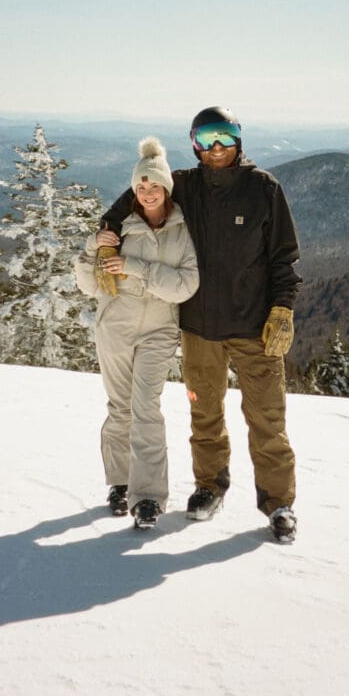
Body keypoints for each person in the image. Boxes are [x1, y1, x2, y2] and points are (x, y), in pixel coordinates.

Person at [98, 107, 300, 543]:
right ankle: (209, 488)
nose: (216, 147)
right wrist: (104, 235)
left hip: (254, 328)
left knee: (267, 417)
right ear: (193, 143)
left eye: (224, 136)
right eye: (206, 138)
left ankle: (279, 503)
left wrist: (282, 307)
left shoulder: (263, 189)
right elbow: (131, 200)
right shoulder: (184, 186)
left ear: (239, 139)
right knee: (204, 415)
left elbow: (284, 257)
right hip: (198, 329)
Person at [74, 137, 199, 530]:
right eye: (141, 187)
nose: (147, 193)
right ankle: (120, 483)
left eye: (154, 186)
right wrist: (92, 248)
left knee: (146, 407)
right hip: (115, 327)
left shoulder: (184, 229)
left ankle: (148, 498)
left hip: (160, 329)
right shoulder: (118, 229)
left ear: (167, 188)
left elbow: (186, 285)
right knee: (120, 408)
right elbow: (87, 285)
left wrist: (136, 268)